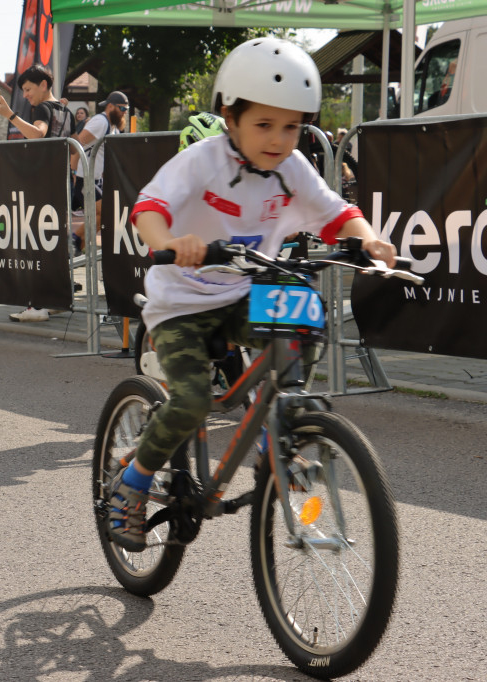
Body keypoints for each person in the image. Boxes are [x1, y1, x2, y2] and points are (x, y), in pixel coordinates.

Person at [106, 37, 397, 552]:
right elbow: (149, 208)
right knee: (193, 400)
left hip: (242, 292)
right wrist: (171, 243)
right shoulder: (202, 162)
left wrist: (368, 238)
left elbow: (336, 212)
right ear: (229, 116)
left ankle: (276, 429)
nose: (278, 140)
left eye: (291, 126)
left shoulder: (291, 168)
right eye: (263, 125)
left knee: (302, 319)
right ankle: (131, 483)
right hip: (182, 303)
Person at [0, 63, 74, 322]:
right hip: (59, 181)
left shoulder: (44, 108)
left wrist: (9, 115)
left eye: (28, 89)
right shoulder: (65, 110)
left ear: (43, 85)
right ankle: (57, 299)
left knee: (37, 244)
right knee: (54, 244)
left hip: (43, 182)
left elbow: (38, 134)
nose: (25, 95)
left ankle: (38, 305)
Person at [70, 91, 128, 251]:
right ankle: (74, 241)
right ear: (110, 106)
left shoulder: (113, 126)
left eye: (126, 110)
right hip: (84, 178)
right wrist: (73, 174)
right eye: (122, 109)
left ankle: (78, 245)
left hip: (97, 179)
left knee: (103, 215)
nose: (124, 113)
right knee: (102, 214)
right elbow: (76, 146)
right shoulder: (100, 122)